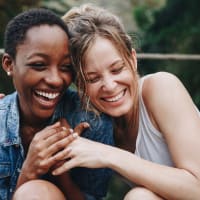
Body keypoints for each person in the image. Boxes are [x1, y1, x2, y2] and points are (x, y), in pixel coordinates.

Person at [51, 4, 200, 200]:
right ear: (79, 85)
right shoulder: (96, 124)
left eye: (117, 69)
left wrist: (109, 155)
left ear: (133, 59)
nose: (110, 86)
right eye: (93, 78)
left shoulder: (161, 88)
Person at [0, 8, 113, 200]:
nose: (55, 80)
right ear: (9, 64)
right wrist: (29, 171)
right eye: (39, 65)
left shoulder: (91, 120)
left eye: (66, 67)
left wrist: (61, 170)